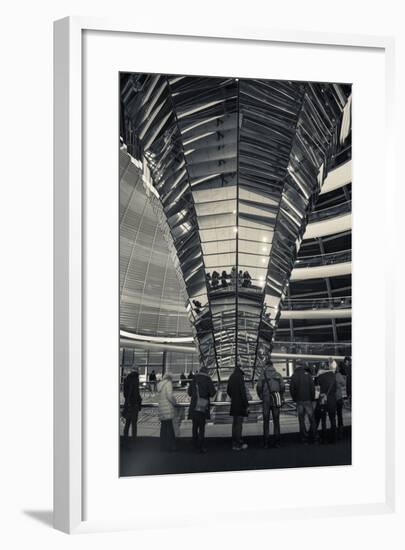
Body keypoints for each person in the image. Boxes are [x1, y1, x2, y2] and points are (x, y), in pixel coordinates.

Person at [256, 360, 285, 448]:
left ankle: (266, 443)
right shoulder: (278, 374)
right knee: (276, 421)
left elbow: (259, 387)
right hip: (276, 399)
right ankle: (277, 443)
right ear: (272, 365)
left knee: (266, 421)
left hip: (266, 400)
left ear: (266, 366)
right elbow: (283, 386)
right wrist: (280, 395)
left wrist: (261, 396)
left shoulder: (263, 375)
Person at [187, 366, 216, 453]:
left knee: (194, 427)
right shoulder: (208, 379)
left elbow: (189, 393)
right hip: (202, 407)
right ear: (207, 372)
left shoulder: (194, 378)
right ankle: (201, 447)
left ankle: (194, 446)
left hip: (194, 407)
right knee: (202, 428)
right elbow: (212, 393)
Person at [289, 361, 317, 444]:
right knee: (312, 419)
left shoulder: (294, 376)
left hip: (299, 400)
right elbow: (312, 388)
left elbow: (291, 389)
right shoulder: (308, 375)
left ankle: (304, 438)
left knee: (301, 420)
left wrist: (295, 398)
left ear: (297, 366)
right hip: (308, 399)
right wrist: (312, 398)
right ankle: (315, 437)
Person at [227, 366, 249, 451]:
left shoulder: (231, 377)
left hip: (234, 404)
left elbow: (228, 390)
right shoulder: (240, 377)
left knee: (234, 424)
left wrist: (233, 397)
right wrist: (246, 405)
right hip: (240, 405)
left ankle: (234, 443)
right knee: (239, 425)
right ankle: (238, 444)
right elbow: (243, 392)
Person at [314, 362, 337, 443]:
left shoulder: (319, 377)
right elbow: (335, 389)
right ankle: (333, 438)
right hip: (332, 400)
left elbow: (317, 392)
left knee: (323, 420)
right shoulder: (333, 376)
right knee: (332, 419)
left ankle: (324, 438)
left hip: (323, 400)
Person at [123, 366, 142, 448]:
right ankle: (134, 442)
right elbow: (136, 393)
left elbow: (125, 393)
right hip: (134, 405)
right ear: (136, 371)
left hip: (128, 404)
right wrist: (139, 400)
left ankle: (125, 441)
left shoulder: (126, 379)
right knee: (134, 424)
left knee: (127, 423)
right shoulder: (136, 379)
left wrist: (128, 401)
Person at [157, 373, 177, 452]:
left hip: (162, 408)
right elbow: (169, 396)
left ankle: (163, 446)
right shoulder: (168, 383)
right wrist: (174, 402)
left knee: (163, 428)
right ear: (170, 378)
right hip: (167, 408)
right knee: (170, 428)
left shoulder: (159, 384)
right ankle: (171, 446)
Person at [335, 363, 347, 437]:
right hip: (338, 397)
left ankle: (333, 429)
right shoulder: (338, 375)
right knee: (339, 414)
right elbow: (344, 383)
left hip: (331, 399)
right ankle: (340, 429)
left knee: (332, 415)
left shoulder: (329, 374)